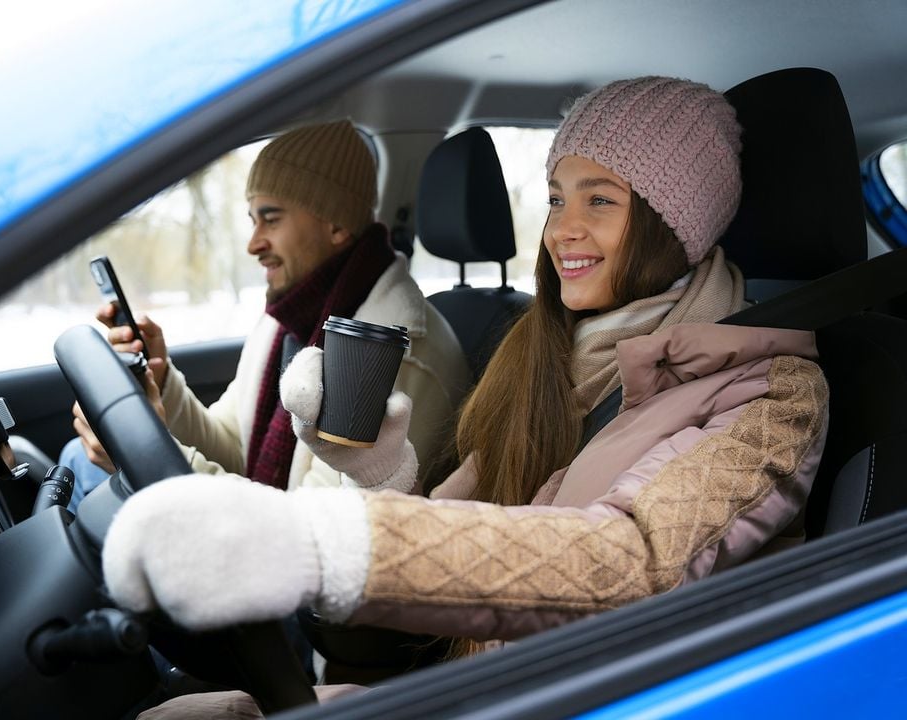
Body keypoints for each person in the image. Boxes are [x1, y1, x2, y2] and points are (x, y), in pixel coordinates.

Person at [100, 77, 830, 716]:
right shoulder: (548, 352)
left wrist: (319, 542)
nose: (561, 230)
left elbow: (631, 562)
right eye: (555, 199)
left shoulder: (772, 394)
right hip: (494, 686)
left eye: (600, 200)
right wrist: (383, 476)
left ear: (679, 224)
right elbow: (464, 525)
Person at [63, 119, 471, 508]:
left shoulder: (387, 346)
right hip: (268, 542)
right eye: (252, 220)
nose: (253, 243)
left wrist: (149, 454)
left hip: (305, 561)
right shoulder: (289, 318)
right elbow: (233, 445)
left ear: (335, 224)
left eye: (271, 219)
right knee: (77, 457)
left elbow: (321, 530)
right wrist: (163, 378)